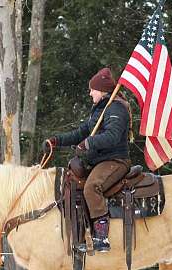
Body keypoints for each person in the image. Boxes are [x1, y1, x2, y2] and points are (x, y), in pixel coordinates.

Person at [44, 67, 131, 252]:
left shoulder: (116, 108)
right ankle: (79, 235)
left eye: (93, 89)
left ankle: (101, 235)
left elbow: (113, 136)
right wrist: (57, 141)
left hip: (115, 161)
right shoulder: (99, 110)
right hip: (99, 162)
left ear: (102, 90)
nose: (90, 92)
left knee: (92, 187)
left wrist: (89, 143)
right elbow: (81, 132)